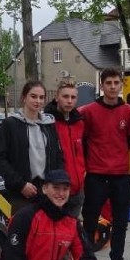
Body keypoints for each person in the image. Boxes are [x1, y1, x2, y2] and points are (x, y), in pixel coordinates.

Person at [79, 67, 130, 260]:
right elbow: (79, 137)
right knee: (89, 222)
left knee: (121, 222)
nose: (113, 87)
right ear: (102, 85)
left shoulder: (129, 112)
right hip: (96, 175)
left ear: (121, 84)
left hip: (121, 176)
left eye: (116, 83)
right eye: (109, 83)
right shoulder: (88, 111)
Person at [0, 81, 64, 214]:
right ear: (24, 98)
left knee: (46, 230)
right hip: (21, 191)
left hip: (47, 189)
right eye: (33, 96)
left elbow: (58, 155)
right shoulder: (11, 124)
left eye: (41, 97)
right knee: (24, 230)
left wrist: (55, 182)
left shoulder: (49, 124)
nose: (38, 101)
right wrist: (20, 185)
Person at [44, 83, 86, 217]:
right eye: (65, 96)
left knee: (71, 232)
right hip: (57, 191)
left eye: (73, 97)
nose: (69, 101)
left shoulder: (79, 123)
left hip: (77, 190)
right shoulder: (47, 123)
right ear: (56, 97)